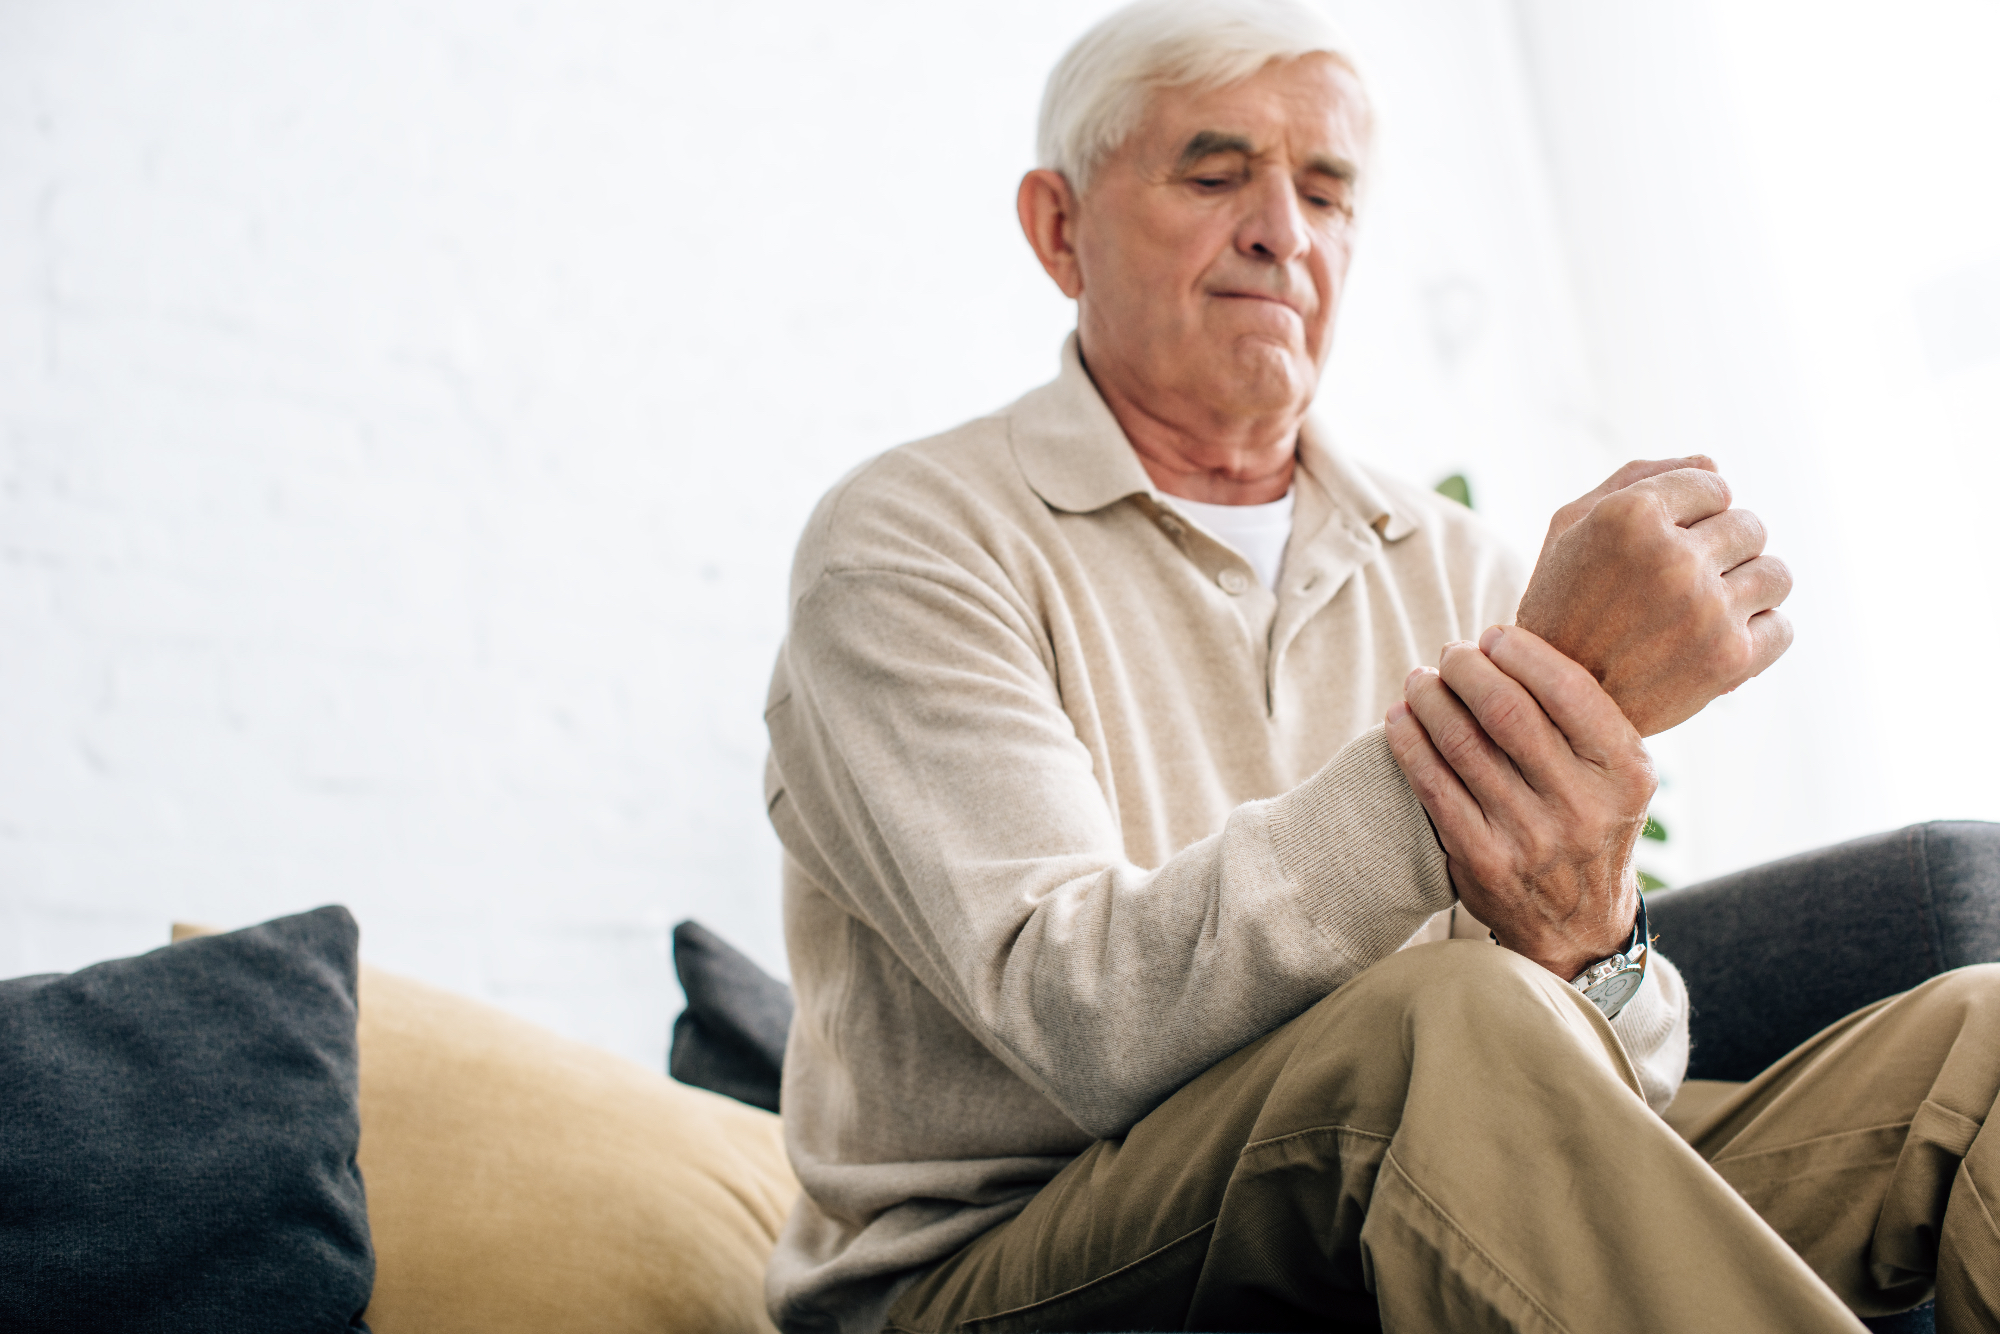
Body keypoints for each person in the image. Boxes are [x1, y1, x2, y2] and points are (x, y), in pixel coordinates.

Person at [759, 2, 2000, 1330]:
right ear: (1059, 228)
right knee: (1441, 1024)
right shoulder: (904, 543)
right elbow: (1086, 1024)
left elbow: (1601, 1081)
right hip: (998, 1267)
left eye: (1328, 189)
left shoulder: (1455, 564)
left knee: (1979, 1038)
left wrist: (1588, 938)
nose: (1283, 230)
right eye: (1216, 170)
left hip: (1420, 1180)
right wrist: (1512, 718)